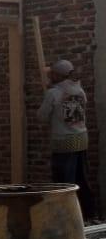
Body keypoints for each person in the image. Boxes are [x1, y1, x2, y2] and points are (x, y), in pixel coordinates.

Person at [37, 59, 95, 218]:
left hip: (64, 143)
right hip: (81, 139)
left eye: (52, 74)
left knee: (64, 182)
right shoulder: (79, 90)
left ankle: (66, 216)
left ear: (57, 75)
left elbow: (42, 116)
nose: (50, 76)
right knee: (81, 178)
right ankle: (88, 214)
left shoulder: (53, 93)